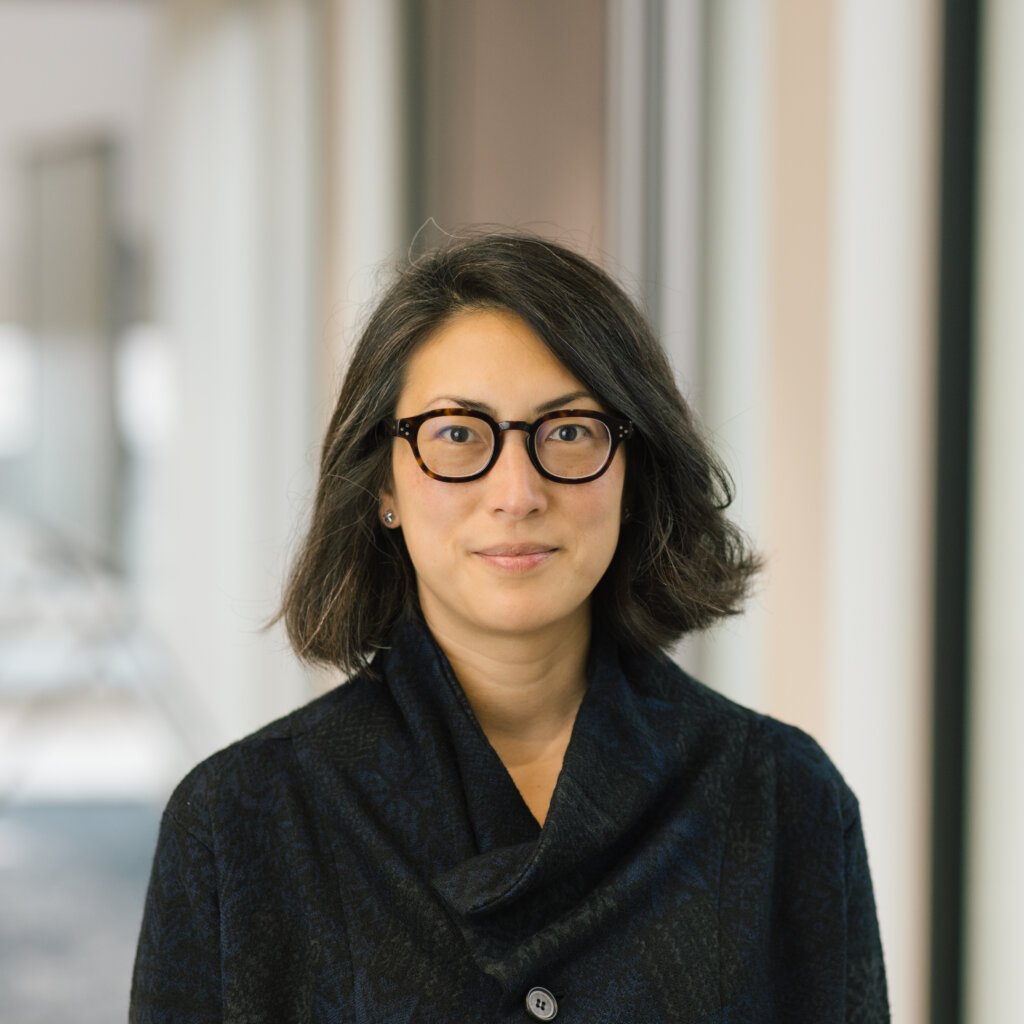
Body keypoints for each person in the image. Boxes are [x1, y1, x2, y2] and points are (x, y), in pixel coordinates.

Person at [130, 231, 889, 1023]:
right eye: (458, 435)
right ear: (384, 486)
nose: (517, 493)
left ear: (632, 473)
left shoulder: (782, 800)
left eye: (569, 431)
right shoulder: (240, 822)